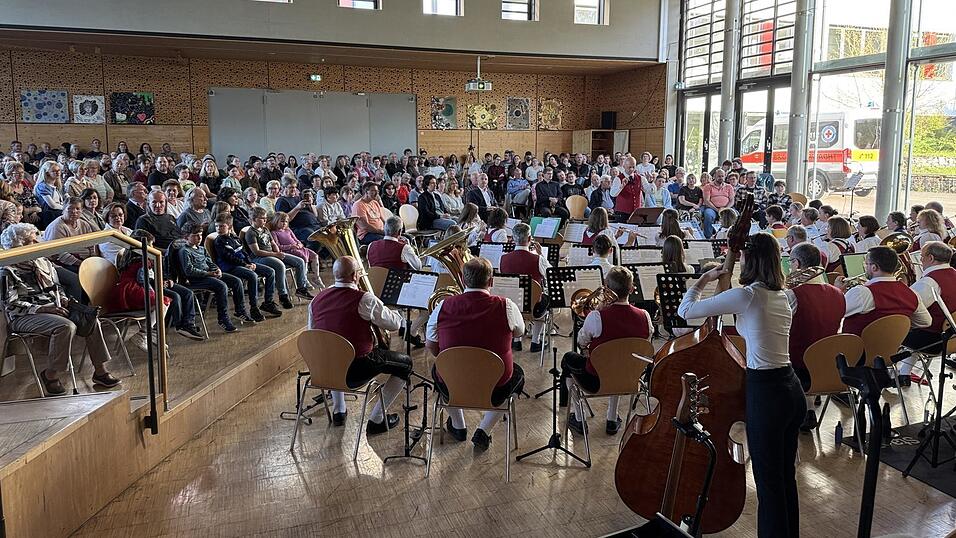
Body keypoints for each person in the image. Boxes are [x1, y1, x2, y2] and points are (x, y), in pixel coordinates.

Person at [677, 232, 804, 537]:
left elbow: (686, 312)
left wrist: (702, 280)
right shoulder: (784, 296)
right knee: (785, 478)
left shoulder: (748, 296)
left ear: (749, 259)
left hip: (767, 392)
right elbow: (736, 303)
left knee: (768, 483)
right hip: (791, 387)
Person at [0, 223, 120, 395]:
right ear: (19, 246)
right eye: (31, 242)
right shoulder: (7, 270)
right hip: (25, 316)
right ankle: (51, 374)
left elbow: (57, 288)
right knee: (65, 326)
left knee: (90, 319)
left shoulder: (42, 262)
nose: (38, 243)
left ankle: (100, 371)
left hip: (53, 308)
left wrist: (63, 300)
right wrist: (42, 309)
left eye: (36, 239)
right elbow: (11, 304)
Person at [425, 257, 525, 450]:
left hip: (452, 382)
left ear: (462, 279)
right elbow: (519, 332)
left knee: (440, 369)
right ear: (491, 281)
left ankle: (458, 425)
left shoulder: (442, 307)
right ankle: (483, 431)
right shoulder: (507, 306)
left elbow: (432, 345)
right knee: (517, 374)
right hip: (495, 385)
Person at [310, 256, 411, 432]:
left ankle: (339, 410)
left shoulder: (316, 300)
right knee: (405, 364)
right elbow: (393, 324)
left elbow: (314, 335)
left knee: (334, 350)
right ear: (355, 276)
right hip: (355, 371)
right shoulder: (364, 299)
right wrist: (393, 313)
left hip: (324, 370)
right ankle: (377, 419)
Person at [561, 266, 652, 435]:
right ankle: (612, 418)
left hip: (595, 380)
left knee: (568, 359)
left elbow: (581, 342)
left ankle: (579, 419)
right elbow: (643, 346)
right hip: (630, 379)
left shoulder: (597, 316)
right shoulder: (645, 316)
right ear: (632, 289)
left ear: (606, 287)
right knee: (620, 360)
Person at [785, 243, 845, 430]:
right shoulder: (839, 293)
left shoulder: (792, 295)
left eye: (790, 262)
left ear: (796, 263)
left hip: (797, 364)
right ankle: (809, 408)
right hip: (827, 365)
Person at [838, 246, 931, 336]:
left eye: (866, 264)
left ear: (874, 267)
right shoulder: (912, 293)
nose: (865, 267)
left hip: (856, 349)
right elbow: (926, 321)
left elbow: (833, 313)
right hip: (892, 348)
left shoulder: (862, 293)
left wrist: (838, 291)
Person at [901, 241, 956, 385]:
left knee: (888, 329)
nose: (920, 259)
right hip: (951, 339)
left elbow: (907, 309)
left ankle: (880, 375)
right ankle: (903, 374)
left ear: (931, 258)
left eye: (922, 255)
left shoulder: (930, 282)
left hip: (933, 340)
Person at [211, 213, 282, 321]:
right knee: (252, 275)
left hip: (243, 264)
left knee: (270, 271)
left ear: (229, 226)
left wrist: (250, 263)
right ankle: (253, 307)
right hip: (230, 267)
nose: (218, 229)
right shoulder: (219, 240)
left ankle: (268, 302)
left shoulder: (235, 238)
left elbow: (244, 252)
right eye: (217, 226)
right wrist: (245, 264)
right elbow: (228, 257)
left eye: (222, 226)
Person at [500, 222, 551, 352]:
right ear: (529, 239)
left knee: (517, 296)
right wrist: (541, 255)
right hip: (533, 306)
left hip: (511, 305)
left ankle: (517, 340)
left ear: (513, 238)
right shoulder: (538, 259)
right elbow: (551, 275)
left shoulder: (503, 259)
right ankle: (535, 341)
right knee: (544, 297)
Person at [245, 206, 310, 307]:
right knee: (280, 266)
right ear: (254, 219)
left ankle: (301, 289)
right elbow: (257, 251)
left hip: (272, 254)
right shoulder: (251, 233)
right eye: (262, 218)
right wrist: (276, 255)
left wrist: (278, 252)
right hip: (259, 258)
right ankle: (283, 296)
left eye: (266, 218)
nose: (265, 220)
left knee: (300, 261)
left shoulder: (265, 229)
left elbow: (273, 244)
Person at [42, 197, 97, 272]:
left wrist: (93, 257)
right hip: (65, 263)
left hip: (85, 259)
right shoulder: (57, 227)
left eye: (78, 209)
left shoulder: (84, 224)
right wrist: (81, 263)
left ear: (82, 211)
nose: (74, 211)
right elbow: (59, 253)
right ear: (64, 209)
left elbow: (91, 243)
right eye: (70, 208)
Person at [270, 211, 320, 286]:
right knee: (302, 256)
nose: (284, 223)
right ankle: (304, 278)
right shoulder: (274, 233)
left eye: (286, 222)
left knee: (314, 255)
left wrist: (300, 244)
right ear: (276, 221)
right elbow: (278, 246)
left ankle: (316, 277)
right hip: (288, 251)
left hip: (297, 248)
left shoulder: (288, 230)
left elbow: (296, 239)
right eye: (282, 221)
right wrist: (291, 246)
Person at [701, 168, 735, 238]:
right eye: (719, 176)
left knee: (735, 214)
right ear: (714, 176)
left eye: (722, 176)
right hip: (712, 208)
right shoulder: (708, 186)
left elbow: (732, 200)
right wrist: (717, 209)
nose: (721, 178)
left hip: (726, 208)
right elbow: (707, 201)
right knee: (708, 215)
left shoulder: (729, 187)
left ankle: (732, 236)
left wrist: (725, 208)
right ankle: (708, 238)